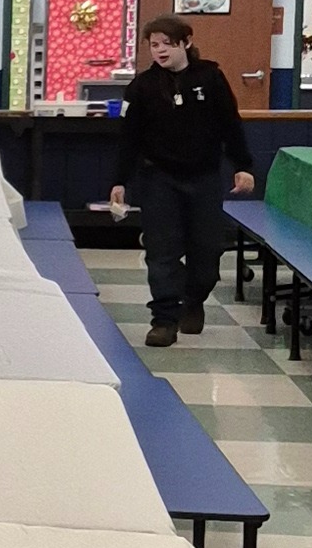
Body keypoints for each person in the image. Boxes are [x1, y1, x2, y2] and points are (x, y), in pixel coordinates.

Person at [104, 17, 255, 346]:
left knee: (208, 255)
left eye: (166, 43)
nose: (159, 50)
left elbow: (230, 123)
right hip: (159, 178)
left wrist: (243, 165)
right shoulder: (142, 87)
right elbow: (128, 138)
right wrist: (120, 181)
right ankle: (163, 320)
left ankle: (194, 298)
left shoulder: (210, 78)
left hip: (203, 178)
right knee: (161, 252)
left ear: (185, 42)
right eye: (153, 45)